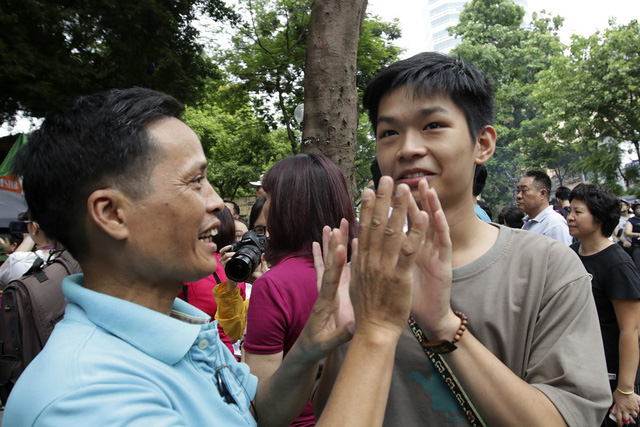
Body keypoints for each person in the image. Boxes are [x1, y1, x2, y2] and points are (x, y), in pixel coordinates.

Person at [4, 87, 427, 427]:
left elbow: (256, 413)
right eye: (196, 181)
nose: (218, 203)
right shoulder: (88, 399)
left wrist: (309, 347)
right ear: (113, 214)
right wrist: (376, 332)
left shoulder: (182, 323)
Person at [314, 52, 610, 426]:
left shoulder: (548, 266)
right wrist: (327, 344)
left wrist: (444, 325)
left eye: (433, 125)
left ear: (483, 144)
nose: (407, 148)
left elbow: (568, 419)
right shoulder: (364, 275)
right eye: (388, 133)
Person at [243, 153, 358, 427]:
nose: (265, 206)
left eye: (268, 197)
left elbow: (260, 403)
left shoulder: (273, 285)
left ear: (286, 206)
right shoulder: (364, 273)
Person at [567, 183, 640, 426]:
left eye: (578, 212)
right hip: (581, 369)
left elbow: (631, 330)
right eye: (570, 211)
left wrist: (625, 390)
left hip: (610, 374)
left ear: (598, 218)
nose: (570, 217)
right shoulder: (571, 253)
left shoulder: (616, 264)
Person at [177, 206, 246, 357]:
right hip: (225, 359)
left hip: (188, 355)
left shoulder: (182, 266)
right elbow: (234, 334)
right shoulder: (235, 269)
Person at [517, 170, 573, 245]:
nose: (519, 196)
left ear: (542, 194)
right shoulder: (528, 224)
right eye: (518, 191)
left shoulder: (554, 225)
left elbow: (562, 256)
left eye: (524, 191)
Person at [626, 204, 640, 272]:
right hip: (637, 246)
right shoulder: (631, 220)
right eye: (638, 208)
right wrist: (637, 234)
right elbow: (627, 232)